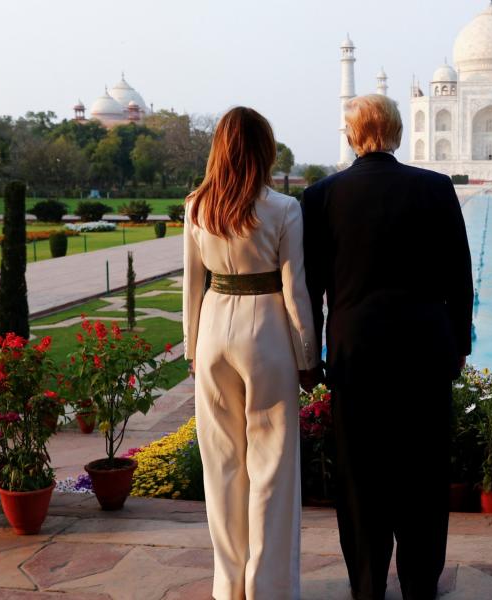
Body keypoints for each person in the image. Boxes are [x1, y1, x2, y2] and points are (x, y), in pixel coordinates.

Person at [302, 94, 473, 600]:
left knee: (361, 476)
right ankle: (420, 584)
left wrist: (311, 358)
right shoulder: (435, 189)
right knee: (422, 473)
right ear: (398, 132)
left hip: (356, 355)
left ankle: (368, 585)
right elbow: (459, 277)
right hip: (424, 350)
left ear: (353, 135)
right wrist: (459, 342)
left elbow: (312, 288)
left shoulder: (323, 196)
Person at [183, 106, 321, 600]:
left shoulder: (197, 205)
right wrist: (308, 357)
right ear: (264, 150)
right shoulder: (283, 208)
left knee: (221, 464)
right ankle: (269, 586)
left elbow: (192, 285)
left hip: (214, 331)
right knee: (272, 465)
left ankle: (228, 583)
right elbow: (295, 291)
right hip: (265, 333)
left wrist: (192, 348)